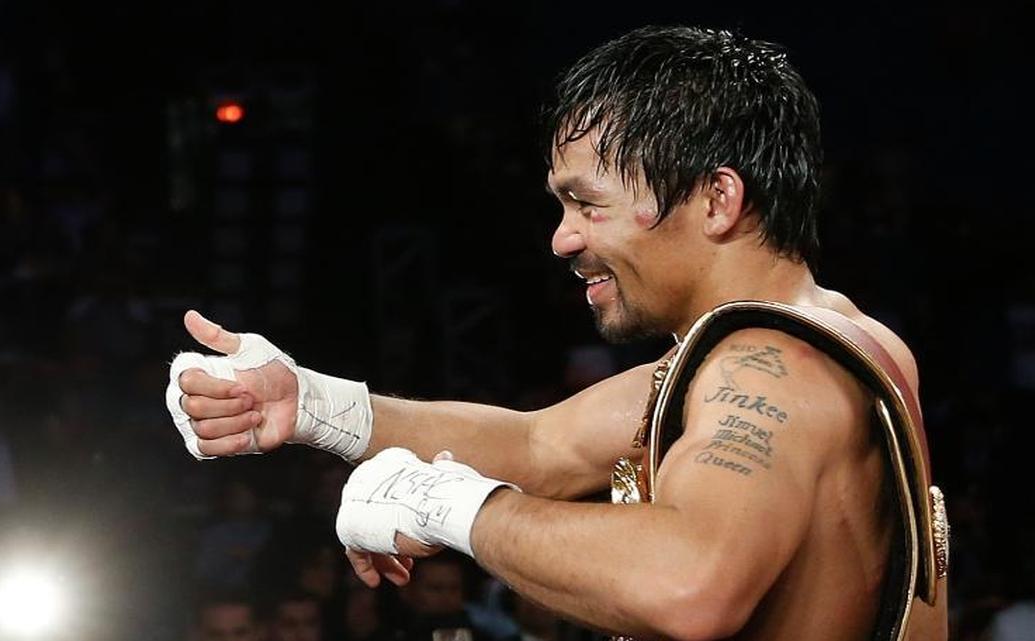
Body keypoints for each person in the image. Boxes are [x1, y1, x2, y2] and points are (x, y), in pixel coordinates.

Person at [166, 26, 947, 641]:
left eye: (589, 204)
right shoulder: (814, 339)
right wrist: (305, 403)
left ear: (717, 199)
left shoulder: (773, 366)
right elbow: (542, 447)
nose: (562, 239)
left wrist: (448, 504)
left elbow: (692, 583)